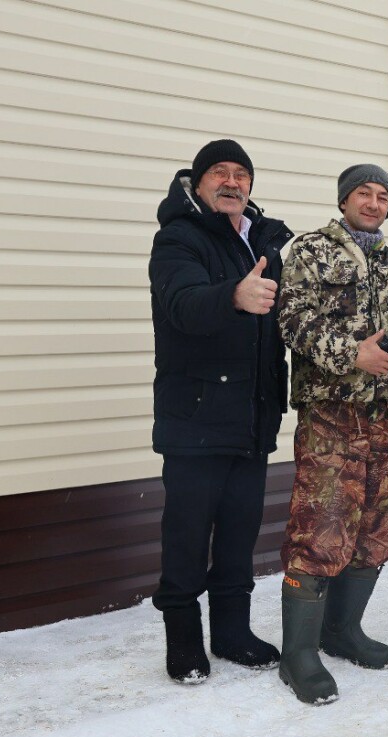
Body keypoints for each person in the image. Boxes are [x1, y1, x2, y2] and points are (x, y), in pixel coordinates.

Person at [277, 164, 388, 704]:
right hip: (333, 413)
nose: (374, 203)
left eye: (383, 196)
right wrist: (353, 353)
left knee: (378, 526)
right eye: (363, 193)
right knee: (322, 527)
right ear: (343, 199)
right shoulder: (310, 250)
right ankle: (298, 655)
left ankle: (342, 630)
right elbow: (291, 319)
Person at [147, 138, 292, 683]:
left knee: (239, 529)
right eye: (220, 173)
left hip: (251, 417)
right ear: (198, 182)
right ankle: (183, 640)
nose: (232, 182)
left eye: (241, 175)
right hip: (195, 417)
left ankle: (232, 632)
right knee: (187, 533)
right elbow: (183, 306)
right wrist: (233, 296)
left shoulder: (259, 237)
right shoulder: (177, 240)